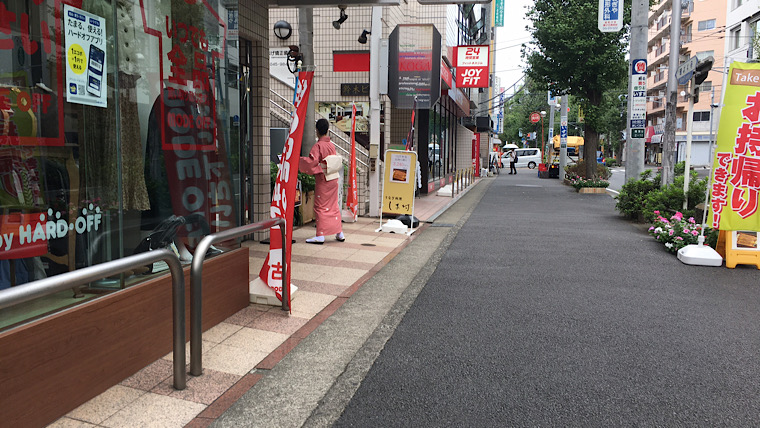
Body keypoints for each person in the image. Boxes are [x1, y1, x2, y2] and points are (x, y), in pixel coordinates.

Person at [299, 119, 345, 244]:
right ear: (328, 130)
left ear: (317, 131)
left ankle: (320, 235)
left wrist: (298, 161)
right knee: (333, 205)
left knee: (321, 206)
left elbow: (311, 162)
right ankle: (339, 233)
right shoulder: (331, 145)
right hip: (333, 178)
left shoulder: (318, 146)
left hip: (324, 179)